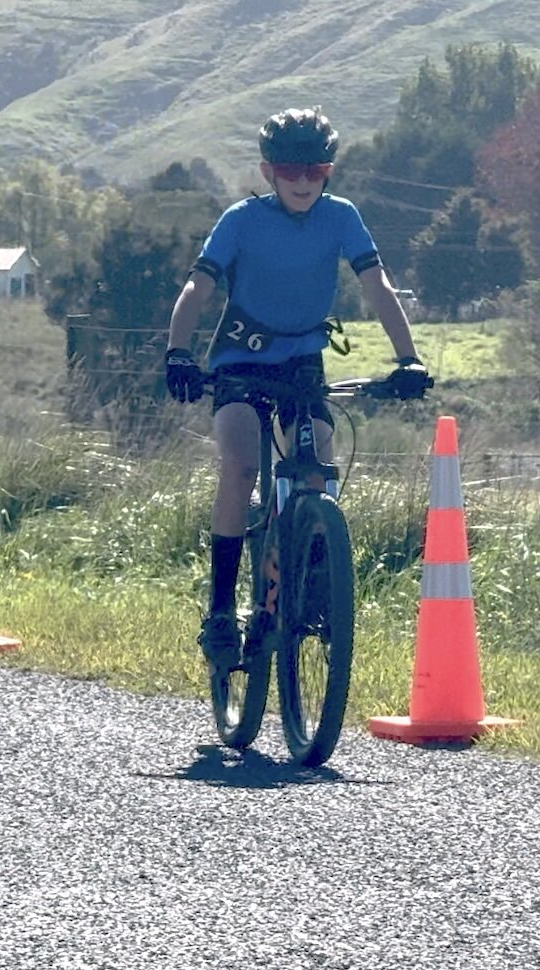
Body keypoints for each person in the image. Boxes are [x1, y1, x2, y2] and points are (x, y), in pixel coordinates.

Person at [163, 108, 432, 672]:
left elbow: (376, 284)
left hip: (302, 364)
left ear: (328, 170)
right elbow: (199, 284)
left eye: (316, 168)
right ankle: (218, 612)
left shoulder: (342, 217)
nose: (304, 180)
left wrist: (408, 358)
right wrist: (179, 352)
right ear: (268, 172)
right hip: (241, 363)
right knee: (239, 466)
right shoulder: (241, 219)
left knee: (318, 470)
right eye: (291, 170)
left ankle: (304, 581)